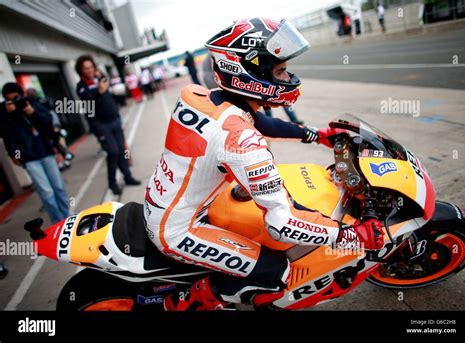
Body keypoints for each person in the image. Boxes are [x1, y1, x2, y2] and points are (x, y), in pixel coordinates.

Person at [144, 18, 385, 311]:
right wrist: (349, 234)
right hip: (179, 228)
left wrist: (318, 135)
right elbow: (281, 224)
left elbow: (257, 121)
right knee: (274, 273)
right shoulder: (243, 142)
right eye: (280, 71)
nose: (289, 77)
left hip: (170, 200)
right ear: (249, 74)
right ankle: (178, 304)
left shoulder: (197, 96)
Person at [0, 82, 70, 223]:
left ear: (21, 95)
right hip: (28, 157)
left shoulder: (30, 102)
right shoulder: (4, 111)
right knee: (46, 192)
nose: (14, 101)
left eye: (16, 97)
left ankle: (67, 216)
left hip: (45, 150)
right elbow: (5, 134)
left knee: (58, 186)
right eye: (10, 98)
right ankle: (57, 221)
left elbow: (48, 121)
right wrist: (9, 115)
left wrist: (31, 111)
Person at [75, 55, 141, 195]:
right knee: (113, 152)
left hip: (114, 120)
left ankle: (128, 177)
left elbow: (109, 93)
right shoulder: (81, 88)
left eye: (91, 67)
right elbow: (91, 106)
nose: (89, 70)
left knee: (122, 151)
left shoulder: (100, 79)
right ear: (81, 71)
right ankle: (112, 183)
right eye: (86, 68)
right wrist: (99, 92)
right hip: (101, 125)